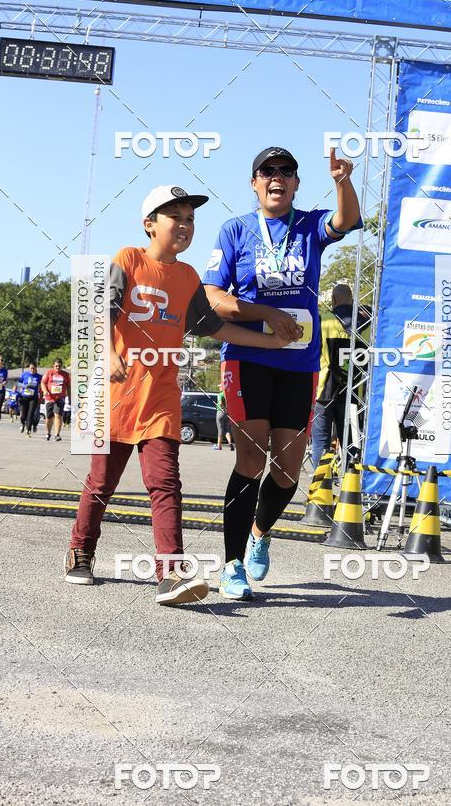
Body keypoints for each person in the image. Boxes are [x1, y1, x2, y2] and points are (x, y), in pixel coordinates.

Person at [65, 185, 287, 607]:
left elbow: (215, 328)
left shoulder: (187, 278)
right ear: (150, 224)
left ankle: (171, 575)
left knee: (165, 483)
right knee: (101, 482)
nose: (184, 226)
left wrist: (270, 343)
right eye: (175, 217)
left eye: (190, 219)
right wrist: (108, 351)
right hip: (116, 395)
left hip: (161, 398)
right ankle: (81, 551)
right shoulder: (128, 258)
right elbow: (99, 310)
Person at [203, 146, 361, 600]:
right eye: (267, 171)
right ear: (254, 182)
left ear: (296, 183)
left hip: (298, 362)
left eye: (286, 172)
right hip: (248, 358)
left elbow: (345, 221)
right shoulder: (236, 229)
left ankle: (260, 531)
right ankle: (231, 566)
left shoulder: (309, 225)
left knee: (289, 470)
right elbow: (213, 295)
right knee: (250, 460)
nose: (276, 177)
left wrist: (342, 180)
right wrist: (265, 313)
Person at [311, 283, 358, 471]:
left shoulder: (323, 320)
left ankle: (320, 488)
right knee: (352, 443)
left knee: (320, 442)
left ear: (334, 300)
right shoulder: (367, 322)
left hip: (324, 390)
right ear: (352, 300)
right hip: (354, 391)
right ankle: (350, 487)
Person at [41, 357, 70, 441]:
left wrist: (70, 397)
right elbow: (43, 382)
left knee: (58, 415)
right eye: (56, 366)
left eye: (59, 366)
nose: (58, 367)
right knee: (49, 417)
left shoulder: (65, 375)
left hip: (60, 398)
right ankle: (48, 432)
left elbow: (68, 386)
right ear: (53, 366)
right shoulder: (49, 373)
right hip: (50, 398)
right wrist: (45, 390)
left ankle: (57, 434)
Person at [18, 362, 42, 437]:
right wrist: (24, 386)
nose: (32, 369)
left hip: (33, 398)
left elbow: (41, 387)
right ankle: (22, 424)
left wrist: (41, 397)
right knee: (23, 414)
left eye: (34, 368)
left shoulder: (38, 376)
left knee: (30, 414)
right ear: (29, 368)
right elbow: (18, 384)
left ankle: (28, 430)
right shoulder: (24, 374)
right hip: (24, 397)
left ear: (36, 368)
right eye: (31, 368)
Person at [213, 386, 234, 451]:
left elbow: (220, 403)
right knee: (227, 430)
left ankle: (219, 446)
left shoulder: (220, 394)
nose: (219, 388)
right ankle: (230, 443)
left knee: (220, 429)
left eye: (220, 386)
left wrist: (218, 405)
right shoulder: (228, 395)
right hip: (227, 413)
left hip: (220, 412)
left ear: (222, 388)